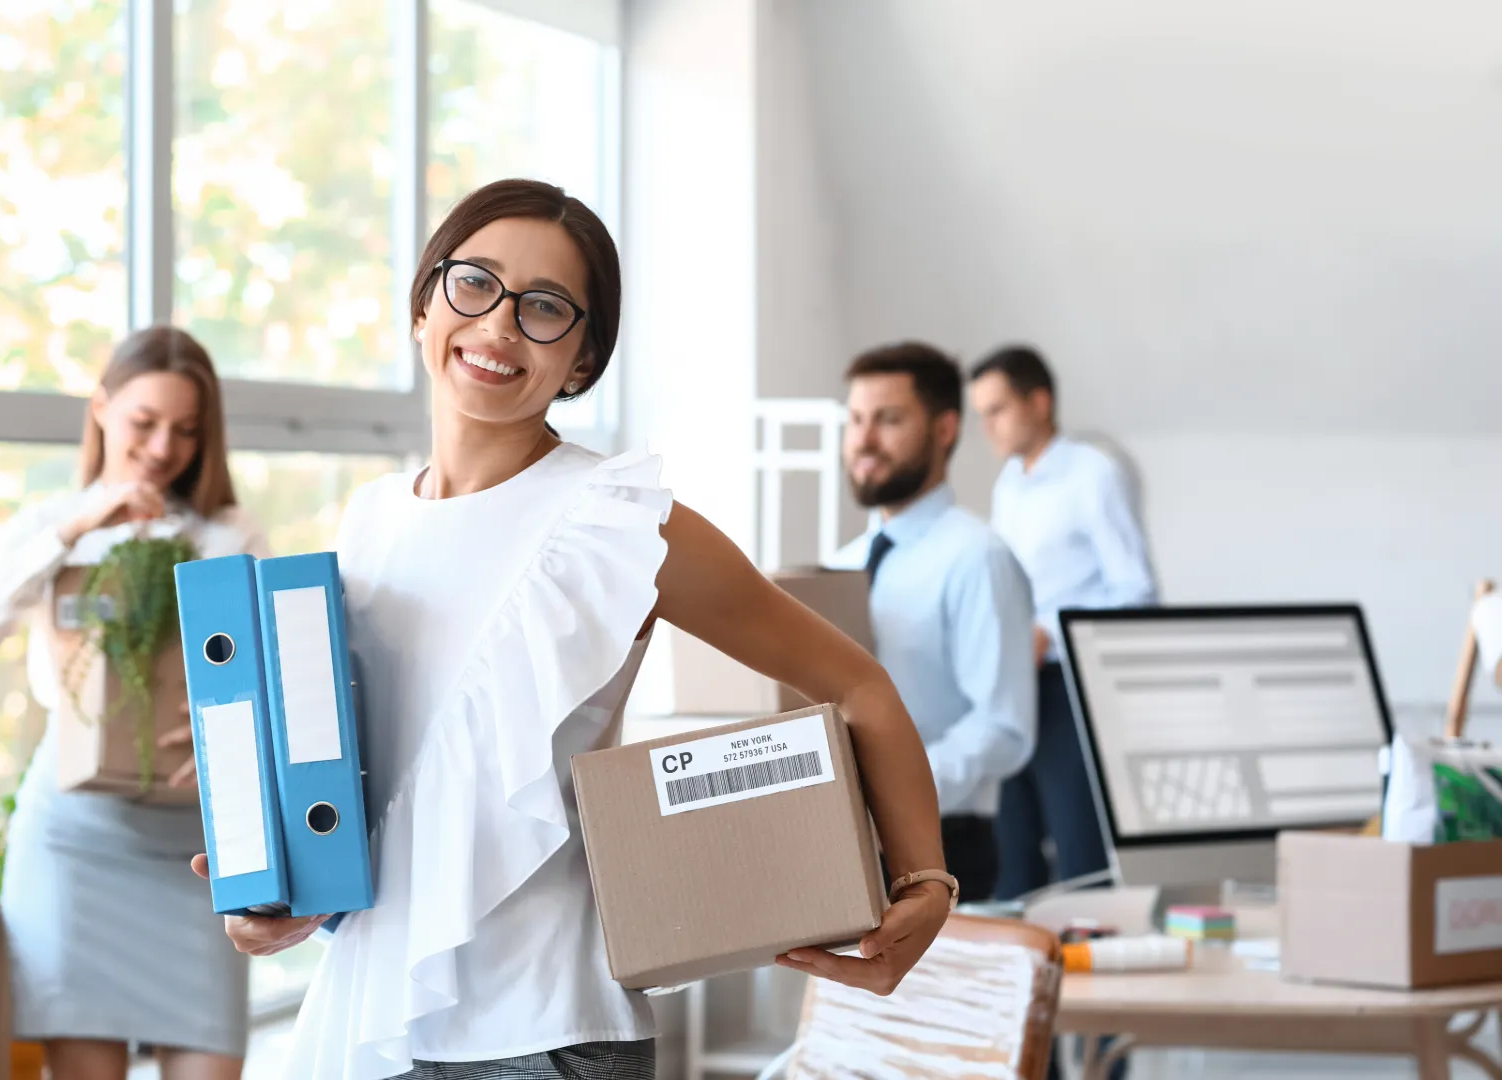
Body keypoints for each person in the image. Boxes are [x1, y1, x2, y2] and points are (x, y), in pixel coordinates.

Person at [188, 180, 956, 1080]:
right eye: (475, 283)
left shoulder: (619, 520)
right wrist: (284, 899)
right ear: (424, 304)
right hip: (373, 1020)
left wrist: (926, 882)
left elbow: (859, 685)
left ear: (583, 358)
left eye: (545, 307)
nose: (500, 324)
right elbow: (400, 795)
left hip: (549, 1035)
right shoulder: (367, 523)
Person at [0, 327, 268, 1080]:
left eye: (186, 430)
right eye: (143, 422)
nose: (162, 448)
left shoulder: (227, 535)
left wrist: (235, 732)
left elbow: (271, 667)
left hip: (197, 851)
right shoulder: (53, 526)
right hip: (75, 841)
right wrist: (77, 528)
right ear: (101, 409)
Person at [827, 342, 1037, 904]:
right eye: (855, 420)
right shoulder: (841, 566)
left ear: (945, 429)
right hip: (838, 843)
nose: (864, 440)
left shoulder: (979, 558)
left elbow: (1004, 728)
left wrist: (890, 796)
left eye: (889, 420)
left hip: (942, 845)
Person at [968, 345, 1157, 901]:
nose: (987, 426)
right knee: (1011, 856)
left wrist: (1048, 631)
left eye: (997, 409)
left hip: (1070, 687)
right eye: (981, 413)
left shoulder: (1094, 474)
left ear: (1039, 402)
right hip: (1013, 689)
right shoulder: (1009, 484)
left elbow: (1138, 593)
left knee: (1079, 856)